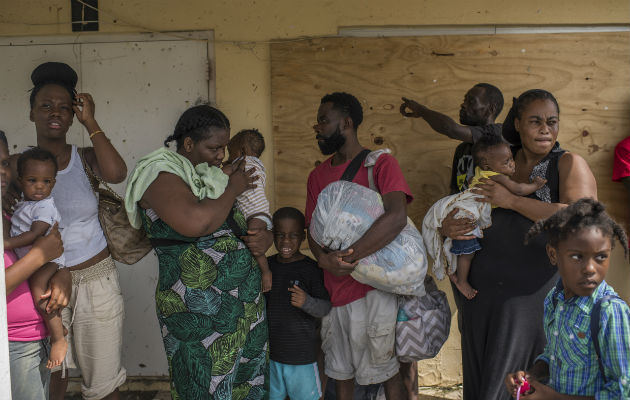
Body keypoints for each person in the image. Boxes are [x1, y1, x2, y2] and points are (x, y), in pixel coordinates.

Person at [439, 89, 597, 400]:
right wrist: (447, 225)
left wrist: (511, 201)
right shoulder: (497, 157)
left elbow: (582, 219)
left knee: (515, 385)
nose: (545, 129)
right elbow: (466, 201)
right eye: (535, 121)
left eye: (552, 122)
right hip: (479, 294)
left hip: (529, 298)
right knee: (481, 380)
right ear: (517, 123)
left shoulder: (566, 163)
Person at [125, 104, 272, 399]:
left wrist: (263, 232)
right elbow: (197, 222)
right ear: (189, 144)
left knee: (246, 386)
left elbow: (240, 215)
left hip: (242, 304)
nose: (221, 155)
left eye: (223, 148)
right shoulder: (159, 173)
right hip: (198, 308)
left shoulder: (209, 176)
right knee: (204, 388)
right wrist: (232, 188)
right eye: (214, 148)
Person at [10, 61, 129, 400]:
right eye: (45, 105)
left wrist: (90, 121)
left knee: (103, 386)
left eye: (65, 107)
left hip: (95, 281)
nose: (55, 112)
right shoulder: (18, 168)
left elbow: (117, 173)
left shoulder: (85, 158)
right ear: (31, 112)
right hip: (42, 285)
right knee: (51, 383)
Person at [306, 92, 412, 400]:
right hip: (334, 293)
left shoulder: (380, 164)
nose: (318, 127)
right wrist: (323, 260)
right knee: (340, 374)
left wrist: (347, 257)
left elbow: (396, 217)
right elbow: (312, 226)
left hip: (375, 290)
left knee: (388, 371)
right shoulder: (317, 176)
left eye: (324, 120)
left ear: (347, 123)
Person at [505, 198, 630, 399]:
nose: (590, 268)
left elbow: (622, 393)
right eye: (576, 257)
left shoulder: (610, 312)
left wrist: (552, 397)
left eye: (601, 257)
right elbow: (555, 353)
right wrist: (532, 375)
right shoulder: (554, 300)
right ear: (553, 254)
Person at [427, 135, 546, 299]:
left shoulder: (479, 172)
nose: (512, 164)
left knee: (461, 251)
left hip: (463, 211)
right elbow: (518, 190)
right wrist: (536, 185)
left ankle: (454, 272)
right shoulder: (496, 176)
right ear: (487, 165)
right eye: (506, 162)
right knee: (468, 253)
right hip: (466, 215)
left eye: (511, 159)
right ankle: (462, 281)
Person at [1, 130, 69, 400]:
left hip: (32, 339)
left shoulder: (12, 210)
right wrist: (39, 256)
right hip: (13, 344)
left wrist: (65, 276)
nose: (3, 172)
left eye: (5, 163)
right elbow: (38, 254)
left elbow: (48, 250)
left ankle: (58, 334)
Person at [266, 207, 331, 400]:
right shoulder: (267, 267)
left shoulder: (311, 269)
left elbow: (326, 307)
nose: (286, 241)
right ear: (272, 236)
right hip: (272, 357)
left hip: (302, 358)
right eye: (280, 235)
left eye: (293, 235)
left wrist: (307, 302)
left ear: (302, 237)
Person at [400, 83, 504, 194]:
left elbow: (450, 129)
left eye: (471, 101)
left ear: (491, 109)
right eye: (465, 100)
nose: (463, 105)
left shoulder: (498, 133)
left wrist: (421, 110)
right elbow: (455, 192)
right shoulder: (462, 149)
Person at [224, 128, 273, 292]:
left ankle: (266, 272)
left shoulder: (245, 163)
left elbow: (223, 175)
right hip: (259, 211)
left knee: (255, 244)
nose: (228, 158)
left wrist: (224, 168)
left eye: (230, 153)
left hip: (255, 213)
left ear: (242, 151)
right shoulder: (258, 165)